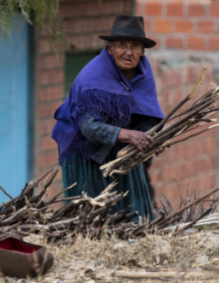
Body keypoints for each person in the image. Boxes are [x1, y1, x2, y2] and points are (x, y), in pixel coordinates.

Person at [51, 14, 164, 221]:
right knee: (94, 209)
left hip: (118, 138)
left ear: (142, 50)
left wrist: (152, 137)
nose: (128, 52)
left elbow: (145, 113)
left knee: (131, 203)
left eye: (135, 46)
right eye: (122, 45)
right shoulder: (94, 78)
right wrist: (129, 135)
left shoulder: (142, 74)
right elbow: (89, 127)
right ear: (110, 48)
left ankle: (131, 229)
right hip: (82, 145)